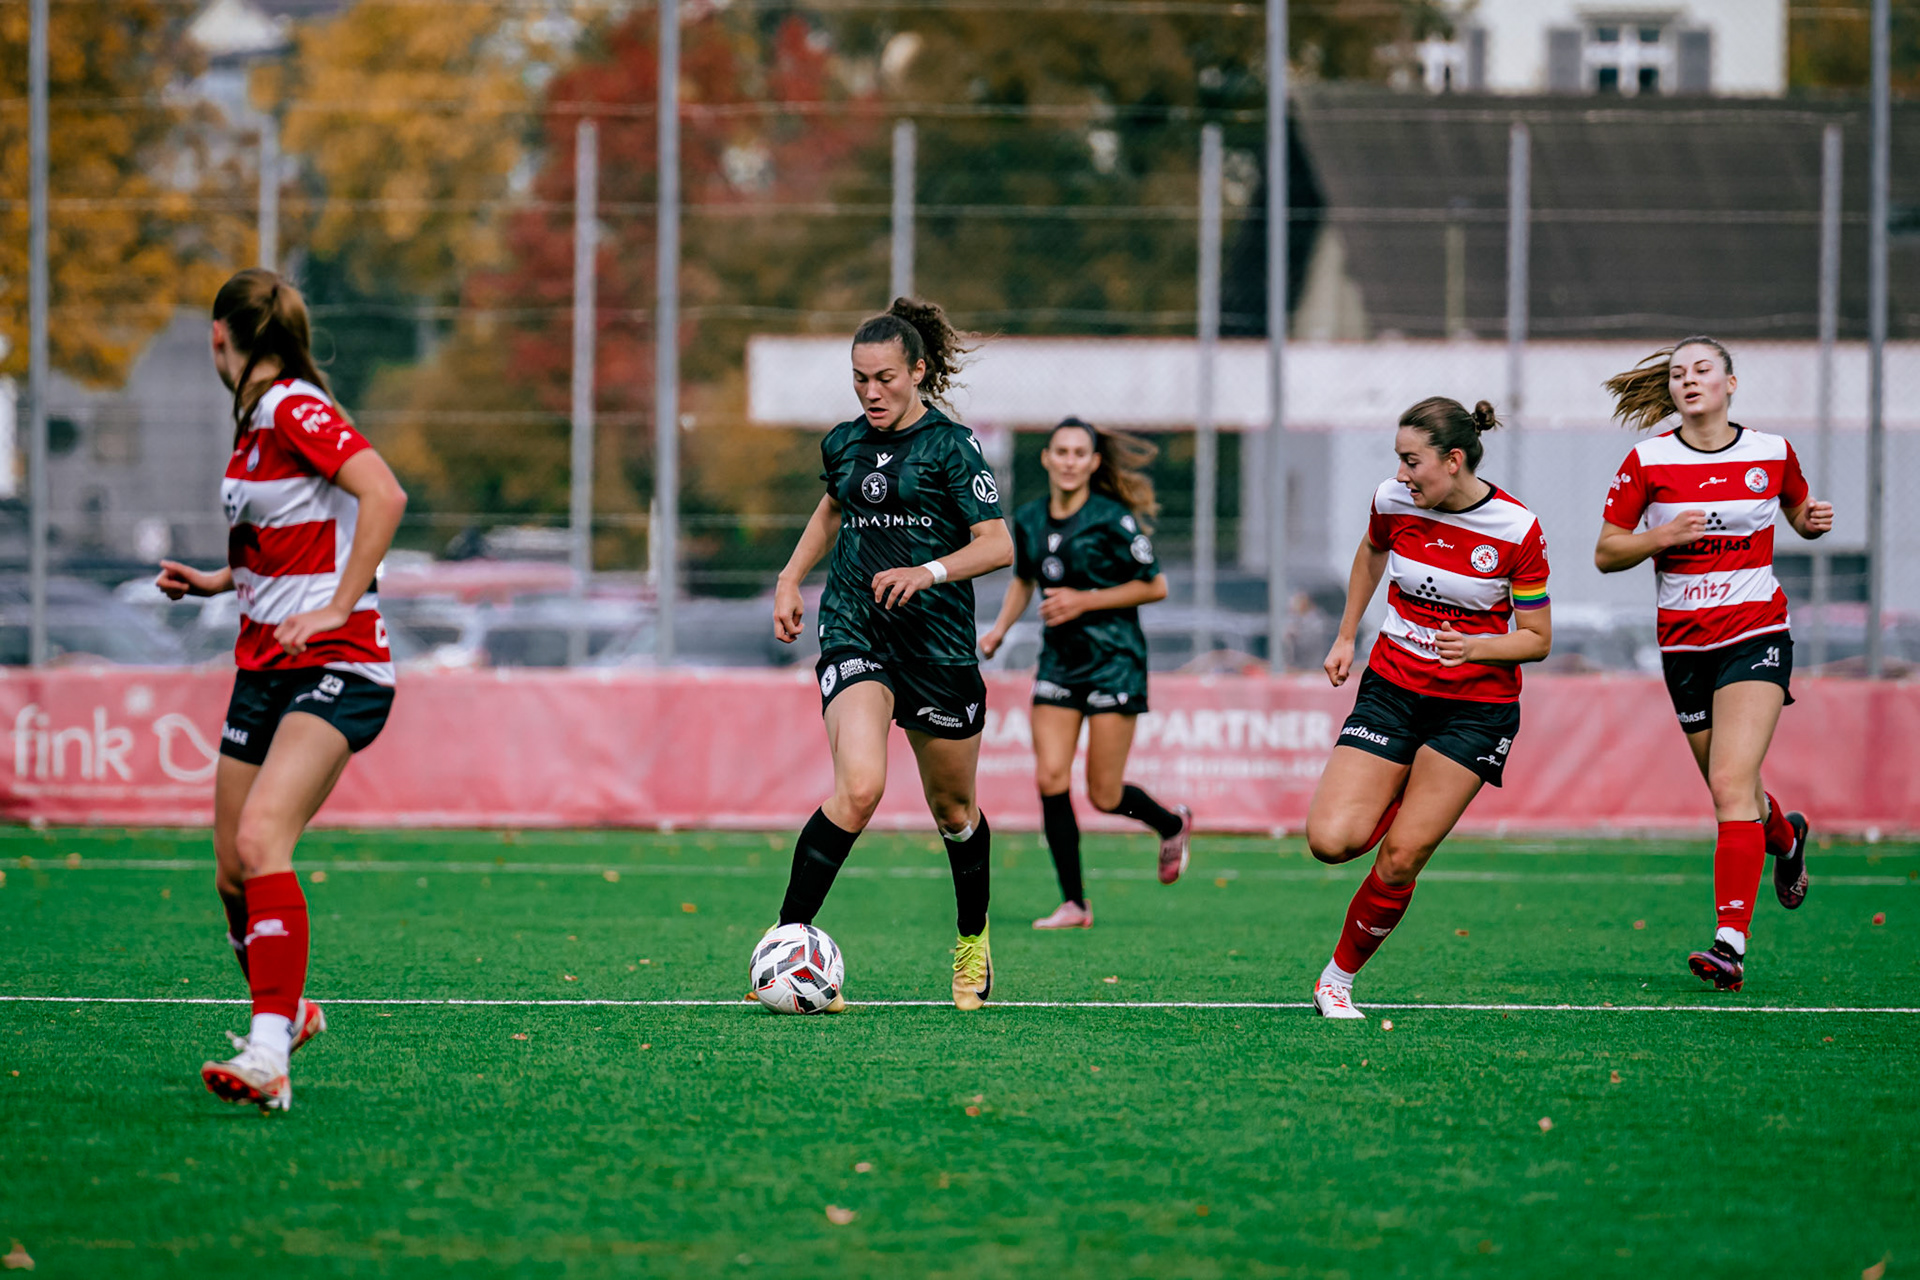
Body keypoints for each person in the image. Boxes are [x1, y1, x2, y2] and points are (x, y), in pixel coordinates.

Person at [156, 268, 408, 1110]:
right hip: (263, 667)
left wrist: (338, 606)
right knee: (232, 871)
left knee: (266, 838)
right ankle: (289, 1009)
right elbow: (288, 540)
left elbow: (384, 493)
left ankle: (269, 1056)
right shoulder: (254, 426)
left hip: (339, 665)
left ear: (220, 337)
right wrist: (216, 580)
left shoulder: (292, 407)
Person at [770, 298, 1014, 1010]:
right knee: (860, 789)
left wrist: (928, 572)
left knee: (955, 811)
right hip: (856, 632)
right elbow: (833, 509)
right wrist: (790, 578)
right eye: (858, 380)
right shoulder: (843, 443)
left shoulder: (952, 447)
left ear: (918, 372)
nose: (871, 393)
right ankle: (785, 944)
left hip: (937, 648)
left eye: (884, 378)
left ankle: (972, 942)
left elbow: (998, 545)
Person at [1596, 337, 1832, 992]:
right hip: (1684, 646)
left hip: (1756, 632)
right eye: (1677, 374)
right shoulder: (1648, 460)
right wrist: (1660, 537)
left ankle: (1730, 943)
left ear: (1731, 383)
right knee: (1737, 792)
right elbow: (1607, 552)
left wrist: (1811, 522)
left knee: (1730, 784)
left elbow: (1796, 512)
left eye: (1703, 370)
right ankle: (1785, 839)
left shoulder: (1771, 452)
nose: (1688, 380)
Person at [1304, 398, 1551, 1019]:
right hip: (1392, 687)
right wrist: (1344, 636)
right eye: (1399, 460)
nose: (1402, 473)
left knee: (1402, 856)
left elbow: (1538, 640)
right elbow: (1370, 553)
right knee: (1331, 841)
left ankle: (1336, 980)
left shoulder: (1517, 530)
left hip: (1475, 710)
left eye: (1412, 461)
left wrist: (1479, 646)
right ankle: (1404, 784)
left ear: (1454, 459)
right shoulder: (1393, 500)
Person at [979, 417, 1191, 929]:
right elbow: (1024, 581)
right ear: (1047, 458)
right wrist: (999, 631)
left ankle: (1171, 823)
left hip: (1115, 661)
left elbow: (1155, 585)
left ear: (1094, 463)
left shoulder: (1113, 518)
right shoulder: (1028, 519)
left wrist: (1085, 600)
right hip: (1058, 663)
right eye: (1062, 451)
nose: (1070, 460)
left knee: (1104, 793)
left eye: (1081, 453)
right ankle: (1074, 903)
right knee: (1050, 777)